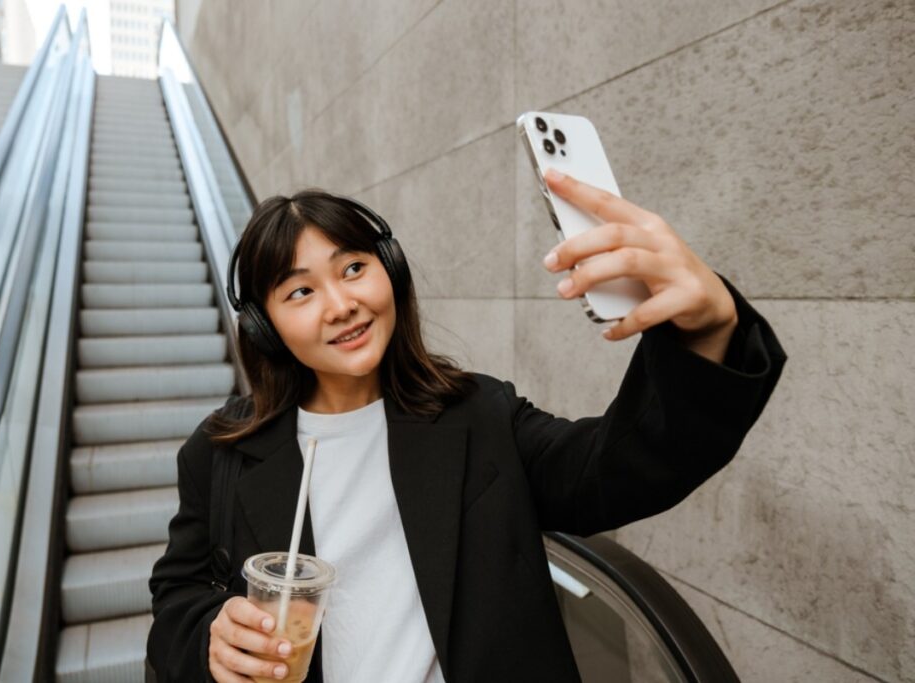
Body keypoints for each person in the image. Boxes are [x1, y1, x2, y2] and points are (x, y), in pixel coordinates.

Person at [146, 171, 787, 682]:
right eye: (300, 292)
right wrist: (211, 634)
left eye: (352, 269)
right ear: (265, 326)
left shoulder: (479, 416)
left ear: (388, 272)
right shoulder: (219, 452)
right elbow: (177, 595)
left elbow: (617, 470)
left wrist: (707, 330)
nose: (341, 305)